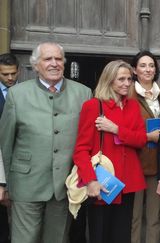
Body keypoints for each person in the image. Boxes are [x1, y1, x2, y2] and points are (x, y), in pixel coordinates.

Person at [0, 42, 92, 243]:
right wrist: (3, 182)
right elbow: (4, 142)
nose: (54, 64)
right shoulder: (17, 94)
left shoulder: (83, 94)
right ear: (36, 65)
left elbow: (88, 140)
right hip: (26, 184)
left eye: (58, 59)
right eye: (48, 59)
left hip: (63, 186)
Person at [73, 60, 149, 243]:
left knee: (122, 236)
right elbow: (81, 149)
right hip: (103, 181)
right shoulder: (93, 106)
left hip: (128, 182)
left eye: (129, 79)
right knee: (100, 235)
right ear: (108, 80)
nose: (126, 83)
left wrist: (116, 129)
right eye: (121, 79)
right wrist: (90, 181)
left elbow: (141, 140)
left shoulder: (132, 105)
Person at [130, 50, 160, 243]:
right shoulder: (126, 94)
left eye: (151, 65)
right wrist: (147, 136)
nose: (148, 69)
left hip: (157, 165)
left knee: (154, 218)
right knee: (134, 217)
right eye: (143, 65)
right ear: (134, 70)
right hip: (133, 164)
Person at [0, 52, 20, 243]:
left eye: (13, 73)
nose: (10, 78)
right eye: (5, 74)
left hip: (18, 164)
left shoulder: (23, 94)